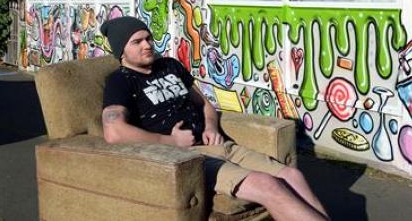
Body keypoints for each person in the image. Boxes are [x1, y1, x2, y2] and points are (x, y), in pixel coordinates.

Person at [101, 16, 329, 220]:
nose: (147, 45)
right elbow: (113, 131)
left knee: (291, 175)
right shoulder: (120, 81)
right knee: (268, 185)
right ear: (122, 51)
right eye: (137, 42)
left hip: (217, 145)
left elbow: (205, 105)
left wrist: (211, 127)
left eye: (148, 38)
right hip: (187, 158)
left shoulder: (170, 66)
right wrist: (172, 142)